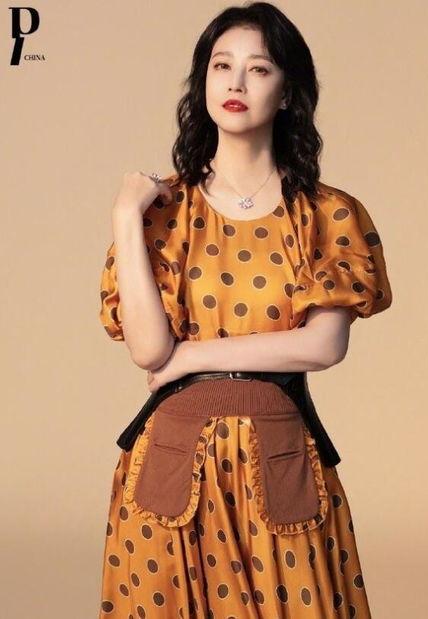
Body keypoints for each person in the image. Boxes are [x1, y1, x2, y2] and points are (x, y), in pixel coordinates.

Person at [97, 3, 392, 617]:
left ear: (286, 92)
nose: (235, 82)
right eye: (220, 65)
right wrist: (125, 216)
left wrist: (191, 359)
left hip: (279, 460)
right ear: (202, 82)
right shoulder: (163, 212)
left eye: (258, 69)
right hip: (171, 463)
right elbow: (149, 351)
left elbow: (323, 346)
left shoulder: (327, 213)